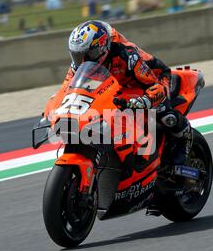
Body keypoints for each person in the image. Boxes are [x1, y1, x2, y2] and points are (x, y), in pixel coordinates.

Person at [65, 20, 195, 215]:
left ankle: (182, 143)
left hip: (152, 82)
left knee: (164, 115)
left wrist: (142, 101)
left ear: (102, 48)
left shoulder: (126, 56)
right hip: (120, 89)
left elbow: (155, 86)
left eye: (87, 54)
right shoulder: (81, 64)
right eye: (77, 55)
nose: (82, 60)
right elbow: (68, 89)